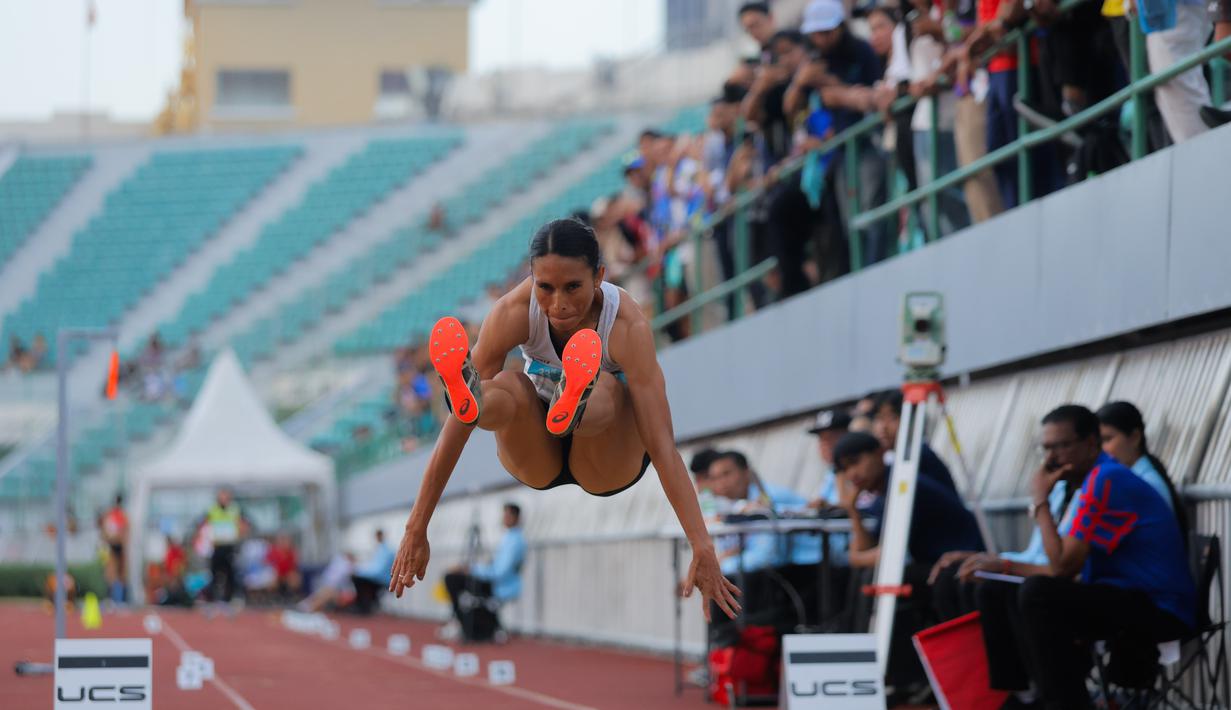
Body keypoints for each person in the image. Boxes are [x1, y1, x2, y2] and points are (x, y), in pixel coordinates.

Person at [389, 218, 742, 623]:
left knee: (608, 387)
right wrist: (416, 526)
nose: (558, 304)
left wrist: (701, 543)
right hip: (537, 447)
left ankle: (577, 401)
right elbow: (456, 427)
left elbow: (661, 444)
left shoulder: (626, 325)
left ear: (599, 276)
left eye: (573, 287)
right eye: (545, 288)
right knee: (508, 385)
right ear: (531, 279)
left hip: (606, 459)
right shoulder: (513, 311)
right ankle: (476, 397)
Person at [1019, 406, 1196, 708]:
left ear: (1091, 443)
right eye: (1046, 448)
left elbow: (1062, 566)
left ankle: (1060, 703)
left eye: (1062, 446)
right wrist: (1003, 566)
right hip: (1126, 596)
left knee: (1038, 594)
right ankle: (1021, 695)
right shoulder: (1093, 480)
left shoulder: (1105, 478)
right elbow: (1067, 563)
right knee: (1005, 589)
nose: (1051, 458)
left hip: (1159, 607)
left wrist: (1040, 501)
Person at [443, 503, 526, 642]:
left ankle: (464, 624)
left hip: (499, 585)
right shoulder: (510, 538)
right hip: (496, 582)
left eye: (507, 515)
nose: (504, 518)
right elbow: (496, 567)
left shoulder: (515, 541)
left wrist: (469, 569)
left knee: (452, 579)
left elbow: (499, 572)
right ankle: (468, 623)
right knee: (454, 578)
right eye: (504, 515)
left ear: (516, 518)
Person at [196, 488, 248, 604]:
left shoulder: (235, 509)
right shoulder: (212, 510)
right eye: (222, 496)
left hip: (230, 545)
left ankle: (230, 597)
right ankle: (213, 598)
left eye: (226, 496)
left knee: (231, 572)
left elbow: (243, 524)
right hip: (216, 545)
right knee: (214, 572)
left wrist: (240, 532)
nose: (224, 498)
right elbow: (202, 523)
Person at [805, 408, 850, 509]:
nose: (825, 444)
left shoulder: (859, 470)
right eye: (821, 439)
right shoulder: (831, 472)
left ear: (847, 436)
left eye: (830, 437)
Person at [351, 529, 395, 615]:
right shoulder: (379, 549)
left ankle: (364, 606)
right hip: (377, 578)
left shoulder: (387, 551)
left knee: (357, 579)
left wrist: (360, 572)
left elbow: (378, 571)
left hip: (382, 580)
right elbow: (373, 568)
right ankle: (366, 604)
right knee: (358, 579)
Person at [101, 495, 129, 604]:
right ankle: (113, 599)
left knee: (119, 574)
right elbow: (106, 533)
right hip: (113, 546)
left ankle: (119, 599)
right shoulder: (113, 515)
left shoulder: (120, 516)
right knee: (112, 574)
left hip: (117, 546)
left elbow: (125, 533)